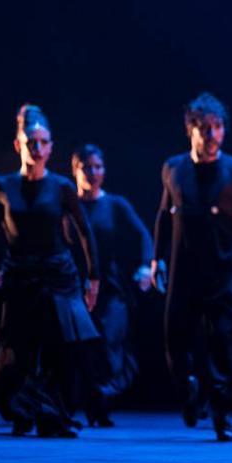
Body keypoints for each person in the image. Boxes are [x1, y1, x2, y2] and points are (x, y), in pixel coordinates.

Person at [0, 104, 101, 438]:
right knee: (17, 354)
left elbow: (85, 233)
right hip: (19, 277)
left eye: (42, 142)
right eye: (30, 142)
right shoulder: (3, 186)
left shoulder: (61, 187)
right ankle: (22, 410)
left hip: (56, 277)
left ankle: (50, 415)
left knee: (59, 350)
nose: (36, 148)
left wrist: (93, 277)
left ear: (51, 148)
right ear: (19, 145)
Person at [151, 92, 232, 442]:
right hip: (184, 271)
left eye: (217, 127)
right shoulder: (174, 168)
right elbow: (163, 213)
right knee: (174, 339)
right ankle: (189, 390)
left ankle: (220, 413)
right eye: (204, 128)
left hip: (224, 272)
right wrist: (156, 258)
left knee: (226, 345)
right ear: (191, 129)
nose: (212, 135)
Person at [69, 144, 154, 427]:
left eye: (97, 167)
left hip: (110, 287)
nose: (92, 173)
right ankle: (88, 405)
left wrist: (146, 266)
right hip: (75, 284)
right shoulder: (68, 203)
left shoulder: (115, 204)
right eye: (86, 167)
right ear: (75, 169)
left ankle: (102, 397)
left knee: (108, 341)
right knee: (80, 346)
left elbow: (142, 235)